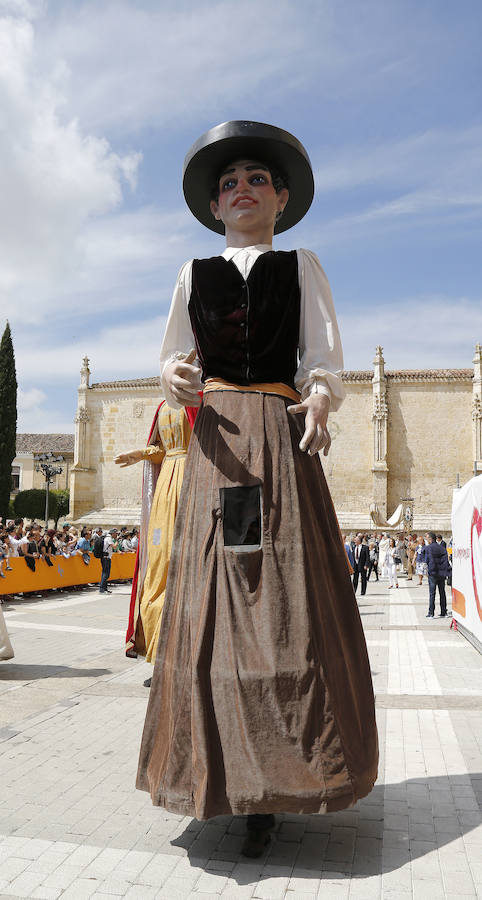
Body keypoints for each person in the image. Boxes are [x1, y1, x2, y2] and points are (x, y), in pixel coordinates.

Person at [136, 120, 378, 856]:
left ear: (280, 200)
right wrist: (176, 376)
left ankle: (278, 778)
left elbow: (323, 361)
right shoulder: (192, 273)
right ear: (217, 208)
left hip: (276, 434)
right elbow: (174, 357)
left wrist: (323, 401)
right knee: (226, 590)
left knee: (279, 595)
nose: (242, 190)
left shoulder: (301, 264)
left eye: (256, 181)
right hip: (221, 447)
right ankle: (224, 770)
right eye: (230, 183)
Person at [115, 401, 198, 673]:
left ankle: (183, 660)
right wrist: (141, 453)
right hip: (166, 485)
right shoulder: (163, 406)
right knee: (159, 562)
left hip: (193, 479)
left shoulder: (202, 400)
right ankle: (159, 659)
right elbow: (161, 450)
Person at [425, 531, 450, 617]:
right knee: (442, 592)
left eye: (427, 538)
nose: (426, 540)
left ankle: (431, 613)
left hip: (433, 573)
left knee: (432, 593)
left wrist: (429, 571)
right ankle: (444, 611)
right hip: (441, 573)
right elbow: (445, 560)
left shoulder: (428, 548)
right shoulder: (441, 548)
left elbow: (429, 560)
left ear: (430, 539)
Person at [99, 528, 117, 594]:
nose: (116, 535)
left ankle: (105, 589)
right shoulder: (109, 538)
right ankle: (102, 589)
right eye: (115, 533)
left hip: (106, 558)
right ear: (112, 533)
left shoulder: (108, 538)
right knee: (105, 574)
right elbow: (114, 546)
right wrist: (117, 541)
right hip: (106, 558)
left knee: (106, 574)